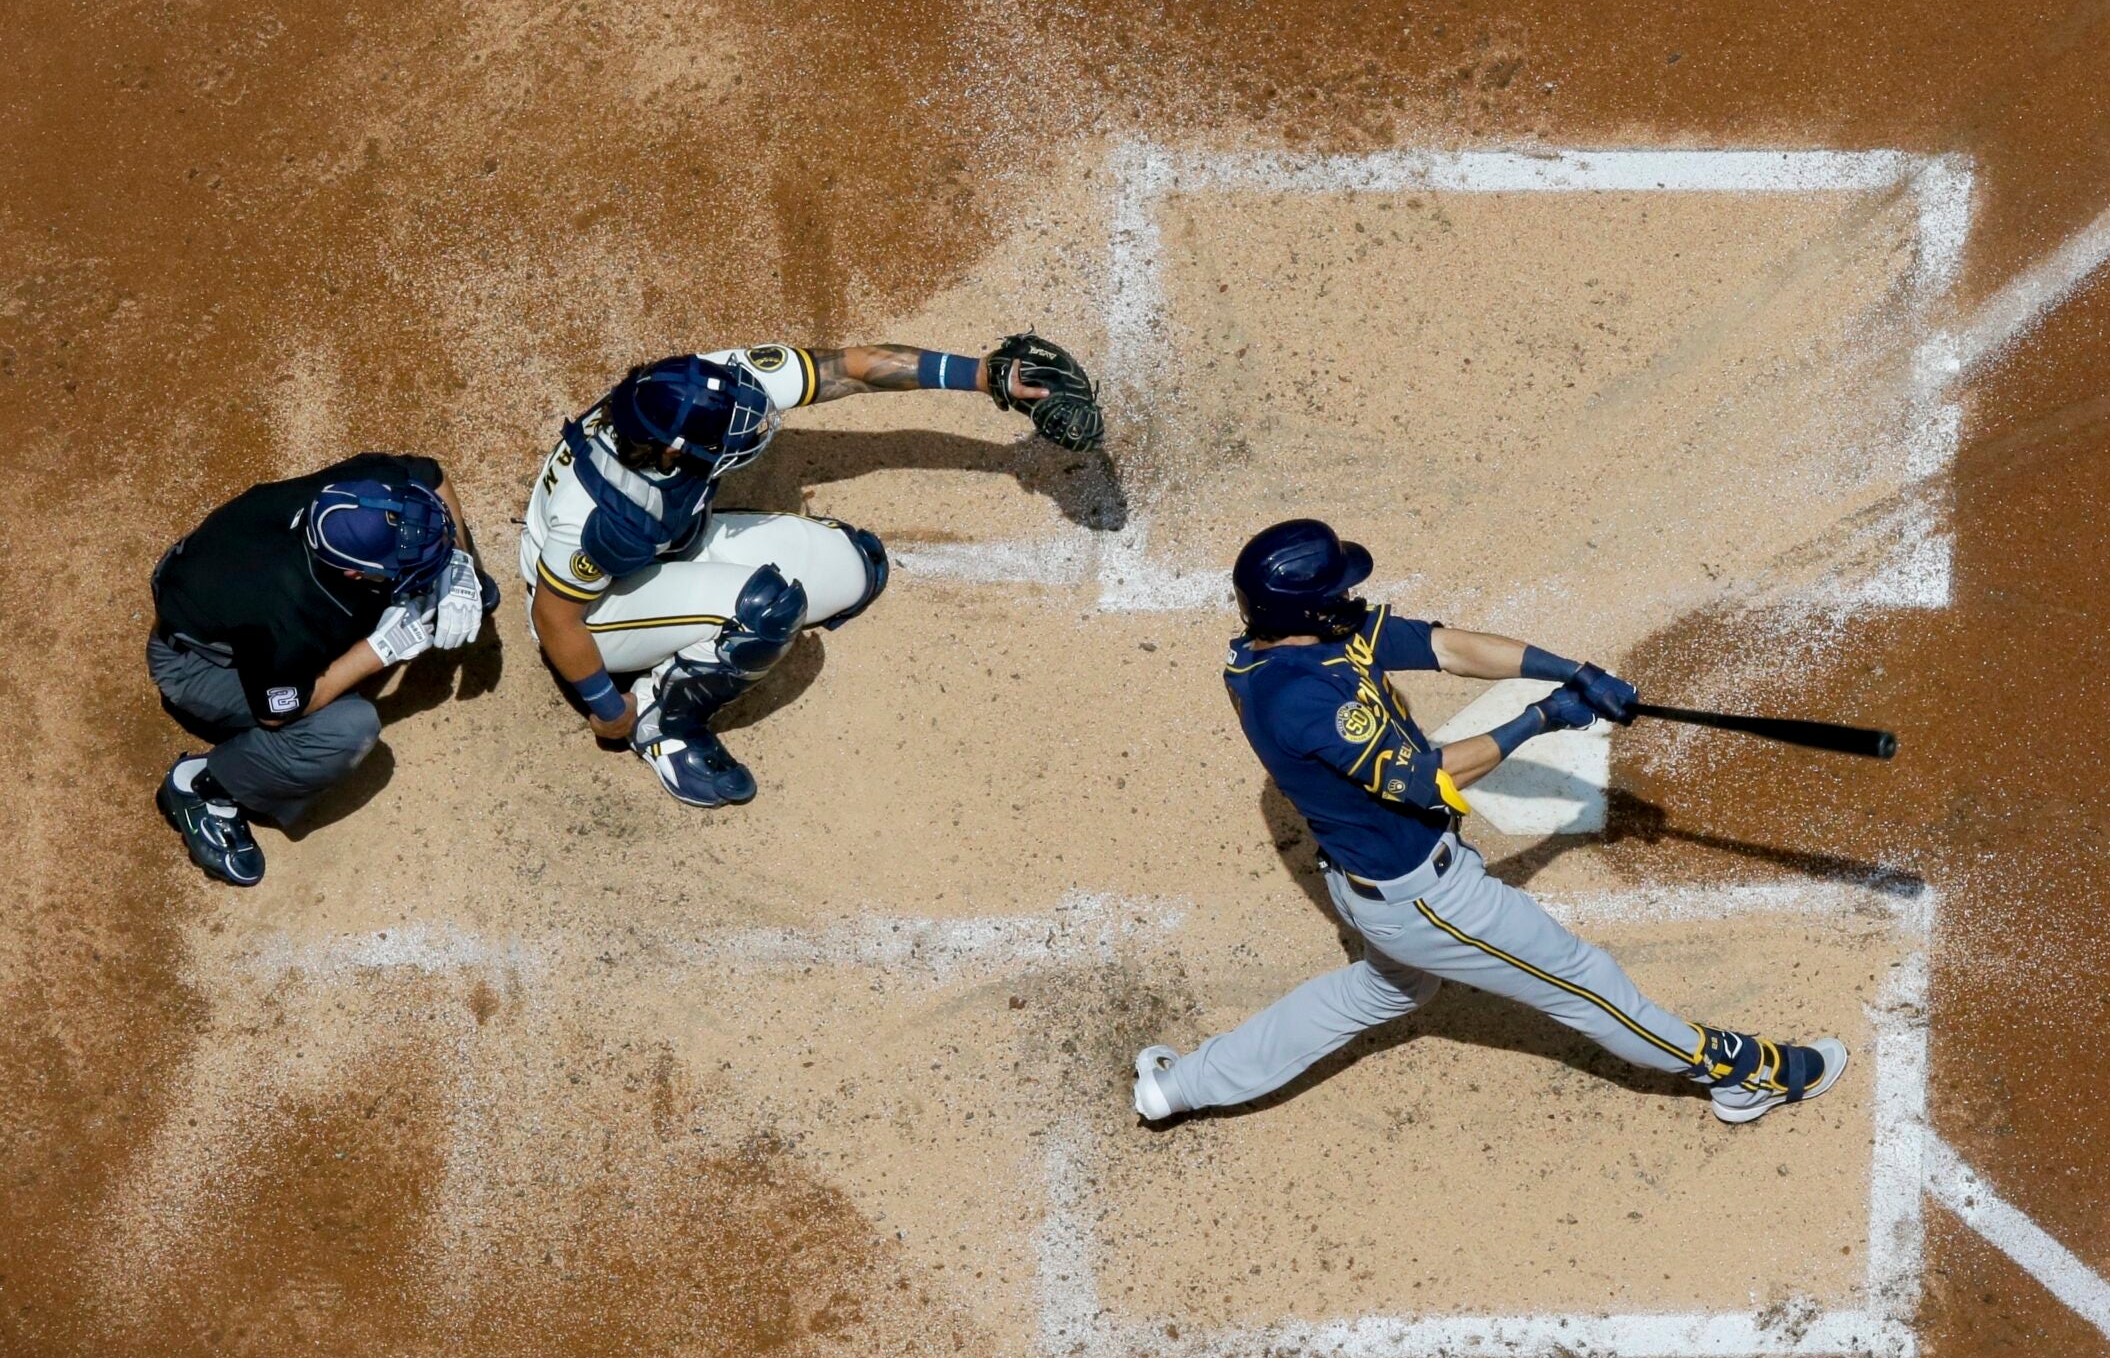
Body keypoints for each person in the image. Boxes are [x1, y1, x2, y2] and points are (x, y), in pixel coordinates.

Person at [1132, 518, 1849, 1125]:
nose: (1352, 595)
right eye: (1337, 591)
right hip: (1428, 899)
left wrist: (1571, 671)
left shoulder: (1288, 642)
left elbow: (1445, 646)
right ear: (1309, 612)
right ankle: (1738, 1072)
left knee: (1385, 989)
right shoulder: (1298, 699)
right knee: (1585, 980)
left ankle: (1180, 1085)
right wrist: (1542, 719)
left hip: (1375, 882)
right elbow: (1428, 778)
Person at [520, 333, 1100, 808]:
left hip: (664, 548)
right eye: (730, 436)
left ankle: (695, 616)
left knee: (856, 568)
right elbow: (555, 619)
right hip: (595, 611)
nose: (751, 429)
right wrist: (607, 709)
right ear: (671, 451)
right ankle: (662, 722)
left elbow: (851, 368)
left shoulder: (701, 387)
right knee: (767, 614)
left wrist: (985, 376)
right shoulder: (606, 515)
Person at [150, 455, 496, 886]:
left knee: (414, 592)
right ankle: (208, 786)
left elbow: (430, 475)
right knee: (345, 728)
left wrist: (461, 565)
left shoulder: (360, 497)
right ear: (352, 571)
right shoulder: (283, 613)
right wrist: (378, 651)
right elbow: (278, 710)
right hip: (201, 666)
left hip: (231, 585)